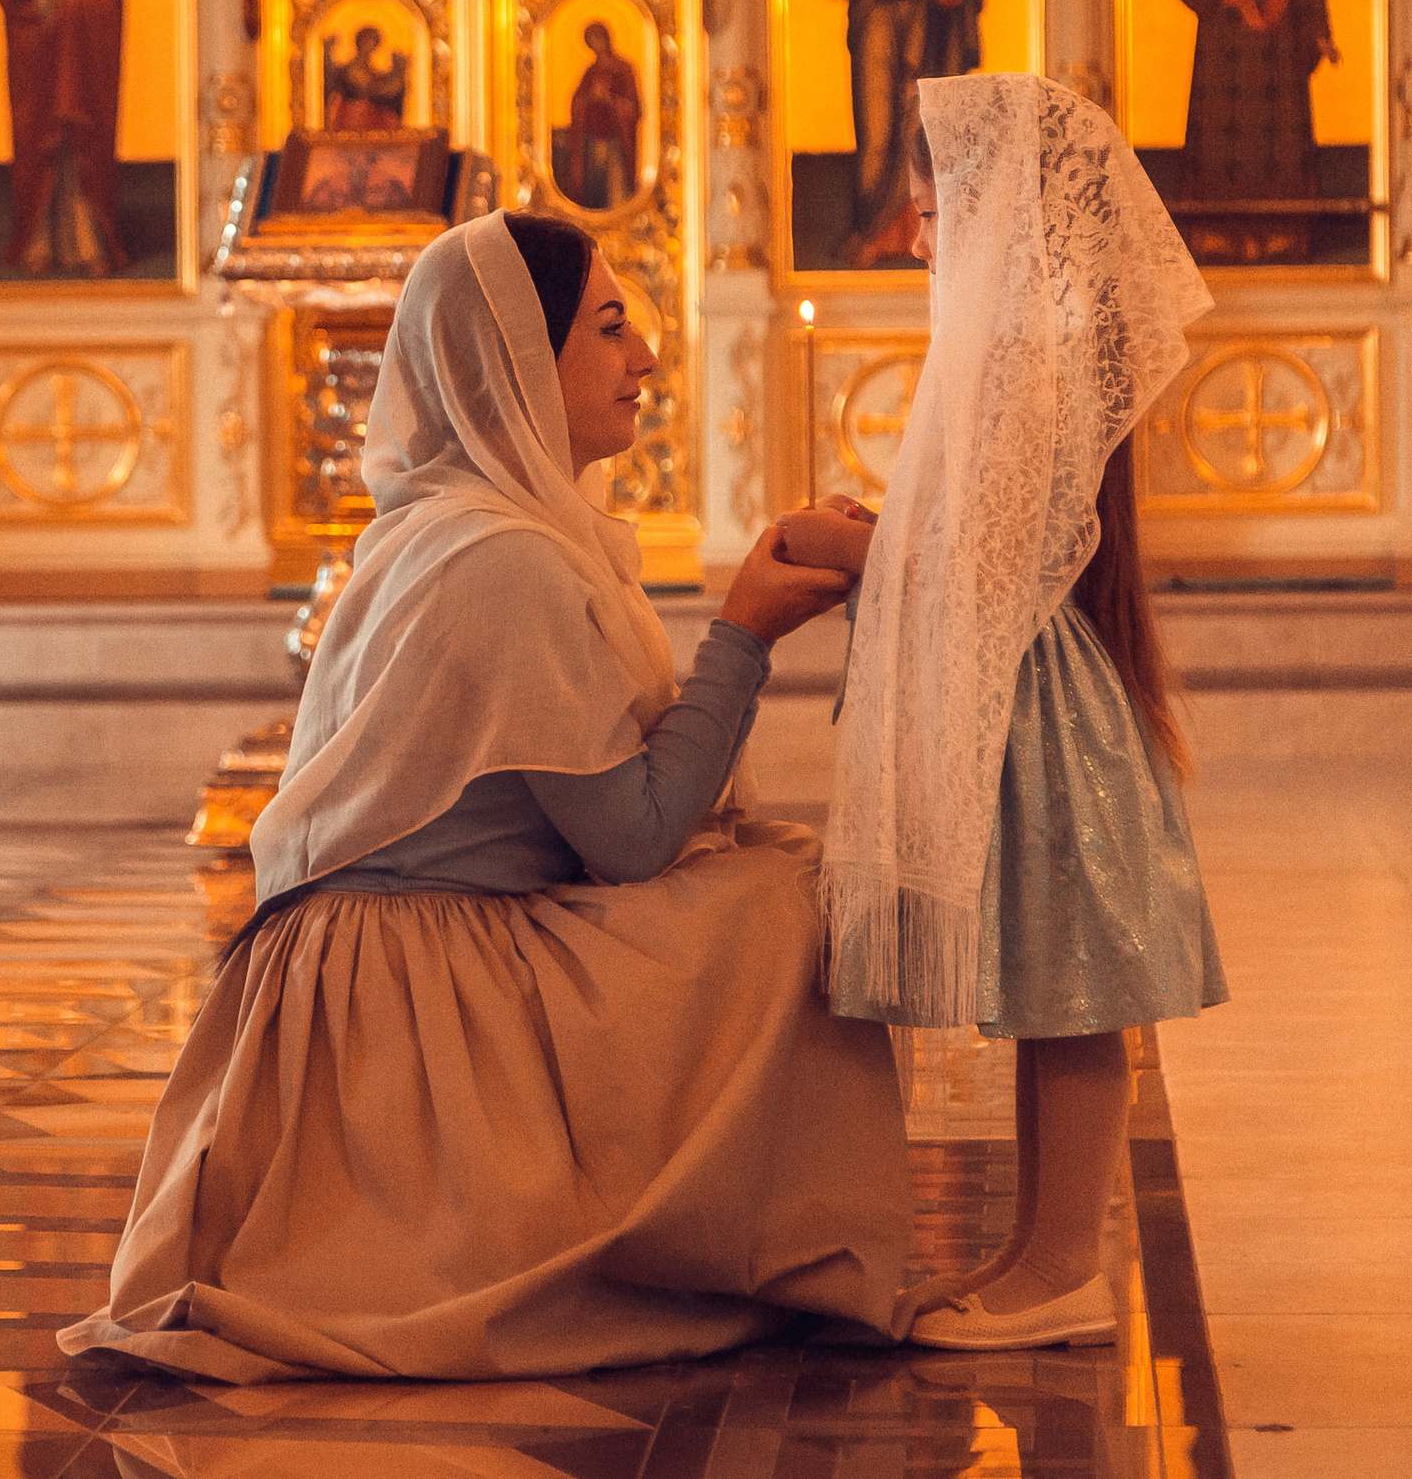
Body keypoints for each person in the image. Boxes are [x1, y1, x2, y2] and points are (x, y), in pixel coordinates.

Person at [60, 211, 911, 1382]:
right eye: (610, 328)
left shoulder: (451, 531)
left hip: (377, 969)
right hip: (399, 994)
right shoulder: (497, 559)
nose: (646, 358)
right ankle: (727, 1248)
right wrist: (744, 636)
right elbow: (634, 840)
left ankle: (723, 1242)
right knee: (778, 909)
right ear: (517, 360)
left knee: (759, 876)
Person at [779, 73, 1227, 1349]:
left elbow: (988, 553)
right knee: (1045, 980)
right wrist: (884, 533)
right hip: (1027, 685)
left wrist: (853, 548)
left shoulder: (1029, 348)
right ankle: (1034, 1250)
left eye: (929, 210)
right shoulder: (1020, 342)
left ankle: (1065, 1268)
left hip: (1039, 700)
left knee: (1073, 987)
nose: (916, 237)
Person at [1168, 0, 1337, 266]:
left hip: (1276, 47)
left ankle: (1282, 234)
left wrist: (1319, 30)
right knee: (1222, 139)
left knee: (1276, 138)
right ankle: (1217, 236)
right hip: (1224, 45)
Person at [818, 0, 980, 268]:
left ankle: (928, 233)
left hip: (930, 28)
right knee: (878, 129)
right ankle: (872, 233)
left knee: (922, 126)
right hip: (880, 27)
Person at [0, 0, 128, 276]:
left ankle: (90, 244)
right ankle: (38, 244)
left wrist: (75, 5)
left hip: (83, 66)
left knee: (81, 145)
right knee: (40, 148)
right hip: (39, 63)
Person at [555, 21, 640, 209]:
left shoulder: (624, 69)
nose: (596, 46)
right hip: (592, 140)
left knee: (615, 185)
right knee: (594, 184)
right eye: (591, 42)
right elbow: (577, 103)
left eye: (598, 40)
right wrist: (590, 98)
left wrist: (608, 98)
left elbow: (633, 107)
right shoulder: (590, 72)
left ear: (606, 39)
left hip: (616, 141)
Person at [322, 25, 407, 129]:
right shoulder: (346, 70)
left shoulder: (375, 73)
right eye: (366, 41)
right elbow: (335, 97)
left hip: (372, 117)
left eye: (373, 43)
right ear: (359, 43)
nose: (369, 46)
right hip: (351, 117)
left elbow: (382, 94)